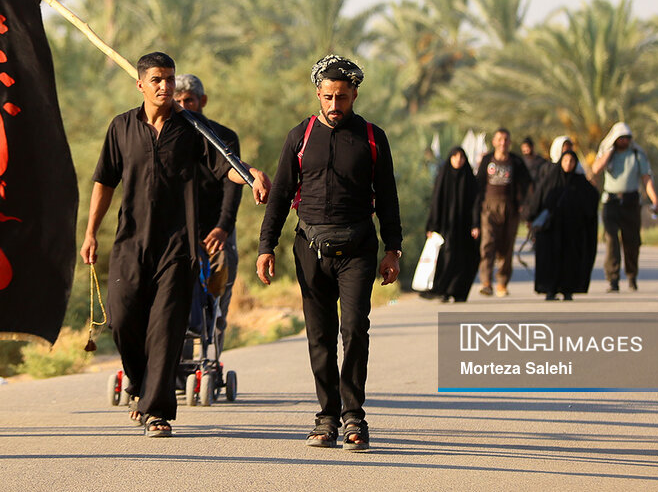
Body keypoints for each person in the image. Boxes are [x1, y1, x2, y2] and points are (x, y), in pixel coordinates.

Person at [81, 53, 268, 439]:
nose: (165, 86)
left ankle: (157, 412)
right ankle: (138, 381)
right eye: (157, 80)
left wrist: (251, 173)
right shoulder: (121, 127)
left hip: (179, 246)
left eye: (169, 78)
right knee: (122, 320)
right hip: (130, 243)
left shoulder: (193, 128)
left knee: (166, 329)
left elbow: (225, 168)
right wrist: (90, 233)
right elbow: (104, 181)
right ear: (141, 85)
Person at [257, 55, 402, 452]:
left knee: (354, 330)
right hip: (310, 248)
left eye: (341, 97)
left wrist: (393, 249)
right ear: (318, 94)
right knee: (319, 336)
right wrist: (265, 246)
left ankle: (354, 416)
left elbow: (388, 196)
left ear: (355, 93)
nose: (334, 105)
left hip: (357, 249)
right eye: (327, 97)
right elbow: (281, 195)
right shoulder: (299, 137)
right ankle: (327, 416)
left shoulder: (373, 137)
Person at [173, 74, 243, 358]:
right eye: (176, 101)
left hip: (216, 231)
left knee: (216, 299)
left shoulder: (223, 137)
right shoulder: (165, 137)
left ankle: (210, 363)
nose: (182, 106)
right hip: (178, 232)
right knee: (178, 300)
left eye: (188, 100)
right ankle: (176, 368)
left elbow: (233, 185)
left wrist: (223, 228)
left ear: (202, 101)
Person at [591, 122, 658, 292]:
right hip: (611, 201)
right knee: (611, 240)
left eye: (626, 138)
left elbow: (646, 179)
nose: (624, 141)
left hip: (631, 201)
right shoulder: (607, 153)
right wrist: (609, 152)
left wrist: (655, 200)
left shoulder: (637, 154)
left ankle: (631, 275)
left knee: (631, 241)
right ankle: (613, 279)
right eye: (620, 138)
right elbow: (596, 170)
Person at [531, 150, 599, 300]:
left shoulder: (580, 182)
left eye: (572, 161)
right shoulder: (551, 180)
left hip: (572, 230)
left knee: (570, 259)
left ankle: (568, 289)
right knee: (550, 259)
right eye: (565, 161)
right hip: (552, 230)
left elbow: (592, 199)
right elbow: (538, 201)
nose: (568, 164)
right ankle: (550, 289)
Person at [472, 128, 531, 297]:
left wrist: (522, 205)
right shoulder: (486, 160)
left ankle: (502, 283)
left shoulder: (516, 162)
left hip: (510, 208)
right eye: (499, 139)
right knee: (488, 244)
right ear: (494, 142)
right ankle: (486, 282)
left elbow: (527, 184)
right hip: (489, 208)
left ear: (510, 142)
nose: (503, 143)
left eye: (506, 139)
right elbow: (479, 185)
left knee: (506, 247)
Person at [424, 147, 480, 302]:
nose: (458, 160)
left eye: (461, 157)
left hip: (465, 228)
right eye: (455, 157)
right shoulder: (443, 176)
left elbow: (476, 203)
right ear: (450, 158)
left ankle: (459, 292)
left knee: (464, 259)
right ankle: (444, 290)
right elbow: (436, 202)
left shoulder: (469, 178)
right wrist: (431, 226)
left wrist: (476, 224)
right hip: (446, 227)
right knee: (447, 258)